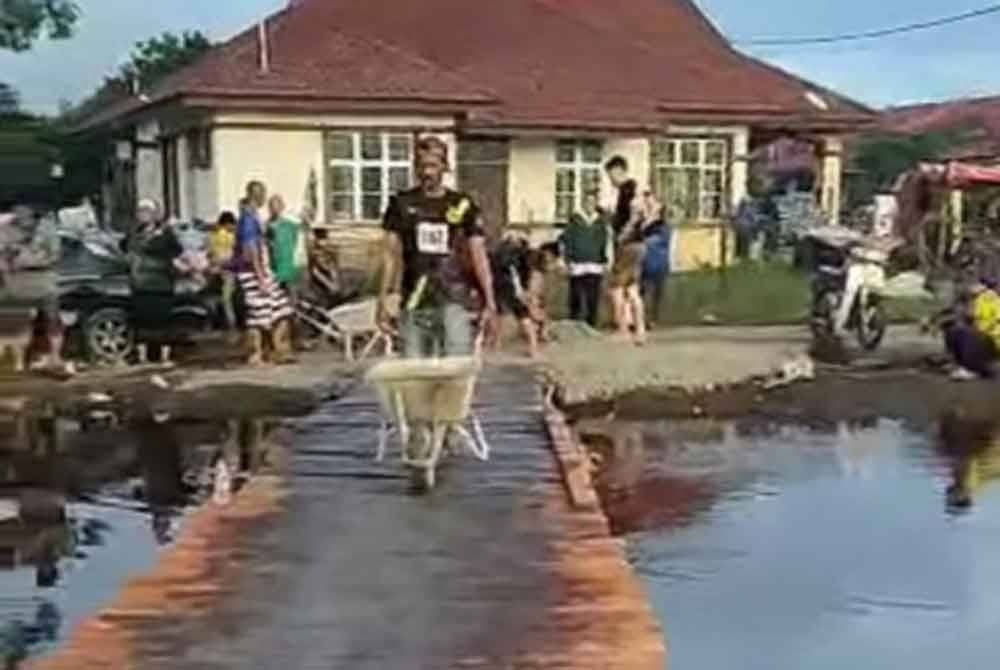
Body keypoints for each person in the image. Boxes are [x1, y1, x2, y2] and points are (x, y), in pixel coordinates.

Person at [377, 136, 496, 358]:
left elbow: (479, 254)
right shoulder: (401, 204)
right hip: (414, 299)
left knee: (456, 370)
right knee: (414, 374)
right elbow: (390, 256)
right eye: (422, 166)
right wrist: (382, 299)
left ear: (445, 166)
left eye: (433, 165)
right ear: (415, 169)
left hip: (454, 299)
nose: (427, 172)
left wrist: (489, 301)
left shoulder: (462, 204)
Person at [0, 206, 70, 372]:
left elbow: (55, 255)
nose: (19, 213)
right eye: (17, 209)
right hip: (16, 282)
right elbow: (2, 254)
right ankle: (17, 361)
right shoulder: (6, 229)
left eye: (24, 209)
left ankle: (55, 357)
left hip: (43, 280)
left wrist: (33, 261)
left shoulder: (46, 228)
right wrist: (7, 262)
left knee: (52, 319)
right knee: (16, 321)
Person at [234, 181, 295, 366]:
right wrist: (260, 275)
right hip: (254, 272)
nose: (264, 198)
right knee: (259, 315)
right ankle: (256, 354)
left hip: (260, 269)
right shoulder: (248, 219)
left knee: (279, 310)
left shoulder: (252, 217)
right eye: (262, 194)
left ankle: (278, 350)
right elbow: (250, 248)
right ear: (256, 195)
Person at [605, 155, 647, 345]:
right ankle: (640, 330)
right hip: (638, 244)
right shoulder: (631, 189)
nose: (610, 180)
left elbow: (637, 213)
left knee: (616, 288)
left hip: (628, 244)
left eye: (610, 175)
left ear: (618, 171)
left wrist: (624, 233)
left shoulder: (628, 188)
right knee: (632, 288)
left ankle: (623, 329)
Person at [561, 189, 610, 328]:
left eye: (593, 202)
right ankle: (574, 322)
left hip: (595, 263)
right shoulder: (575, 220)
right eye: (587, 202)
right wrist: (568, 259)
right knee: (576, 294)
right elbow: (568, 240)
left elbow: (604, 241)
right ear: (583, 203)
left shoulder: (600, 222)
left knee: (593, 295)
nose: (590, 205)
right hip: (577, 263)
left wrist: (604, 259)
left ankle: (591, 323)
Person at [943, 278, 1000, 380]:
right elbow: (970, 316)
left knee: (969, 335)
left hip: (992, 337)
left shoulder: (994, 300)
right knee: (954, 331)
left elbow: (995, 321)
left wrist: (982, 329)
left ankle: (972, 369)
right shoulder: (977, 300)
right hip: (980, 334)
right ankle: (959, 364)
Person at [639, 192, 673, 327]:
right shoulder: (641, 222)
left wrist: (643, 241)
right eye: (646, 203)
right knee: (640, 293)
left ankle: (652, 319)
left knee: (655, 294)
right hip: (642, 263)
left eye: (651, 204)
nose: (648, 206)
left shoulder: (663, 224)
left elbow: (662, 240)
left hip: (658, 263)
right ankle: (640, 318)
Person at [208, 211, 238, 334]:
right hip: (228, 270)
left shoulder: (213, 235)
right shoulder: (227, 236)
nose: (234, 227)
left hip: (216, 269)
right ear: (227, 224)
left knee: (216, 297)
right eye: (232, 224)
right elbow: (228, 254)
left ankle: (216, 322)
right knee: (226, 299)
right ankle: (232, 325)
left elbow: (211, 253)